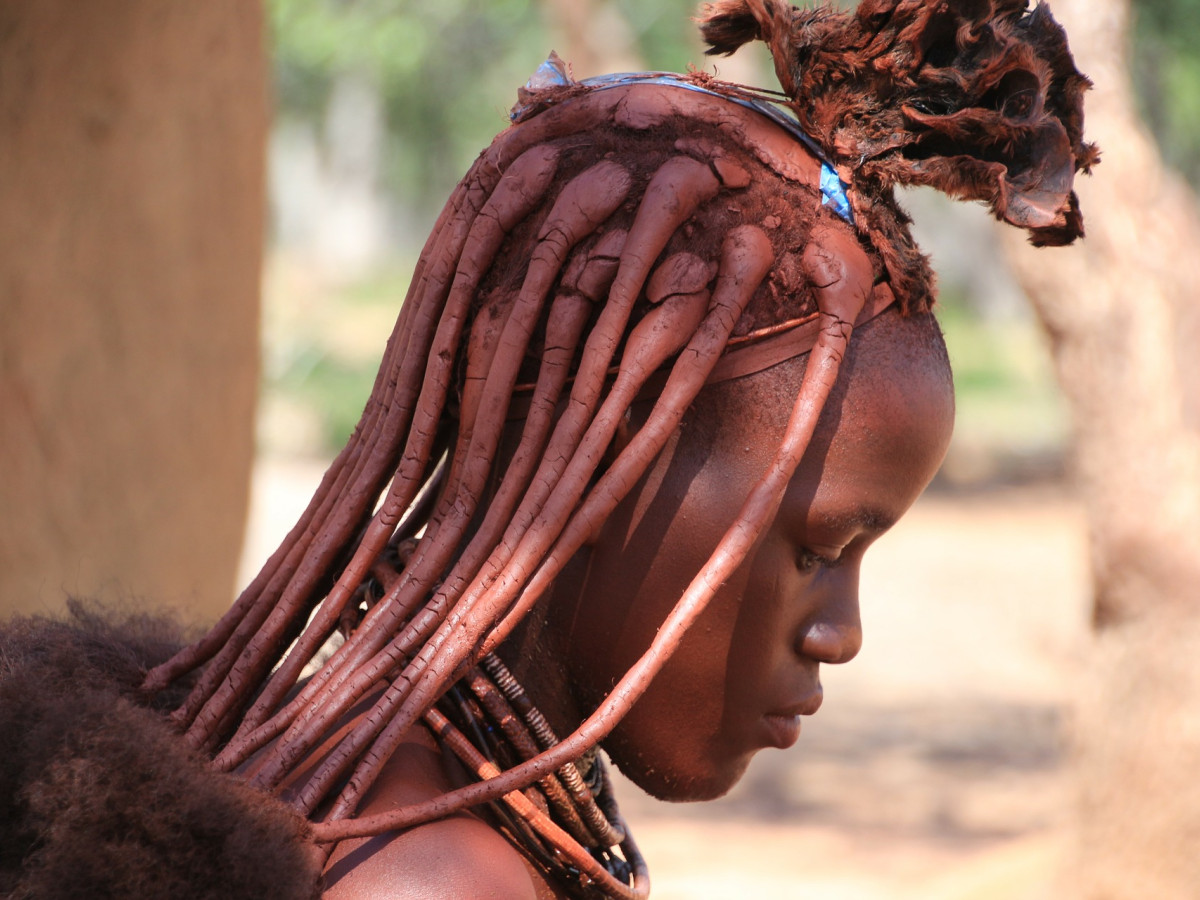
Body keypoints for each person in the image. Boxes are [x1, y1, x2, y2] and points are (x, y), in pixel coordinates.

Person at [0, 1, 1094, 898]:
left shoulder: (387, 801)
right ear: (620, 458)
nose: (841, 636)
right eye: (817, 548)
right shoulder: (434, 881)